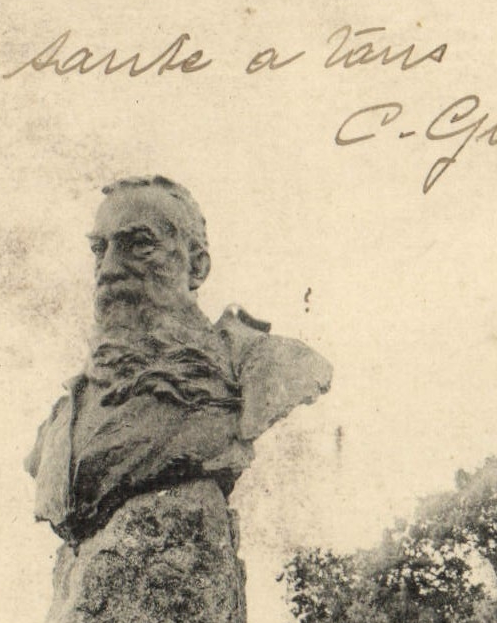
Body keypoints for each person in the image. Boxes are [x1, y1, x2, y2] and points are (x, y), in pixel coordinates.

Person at [28, 175, 332, 543]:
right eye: (99, 249)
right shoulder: (61, 423)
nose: (107, 270)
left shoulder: (265, 366)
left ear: (197, 267)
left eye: (138, 245)